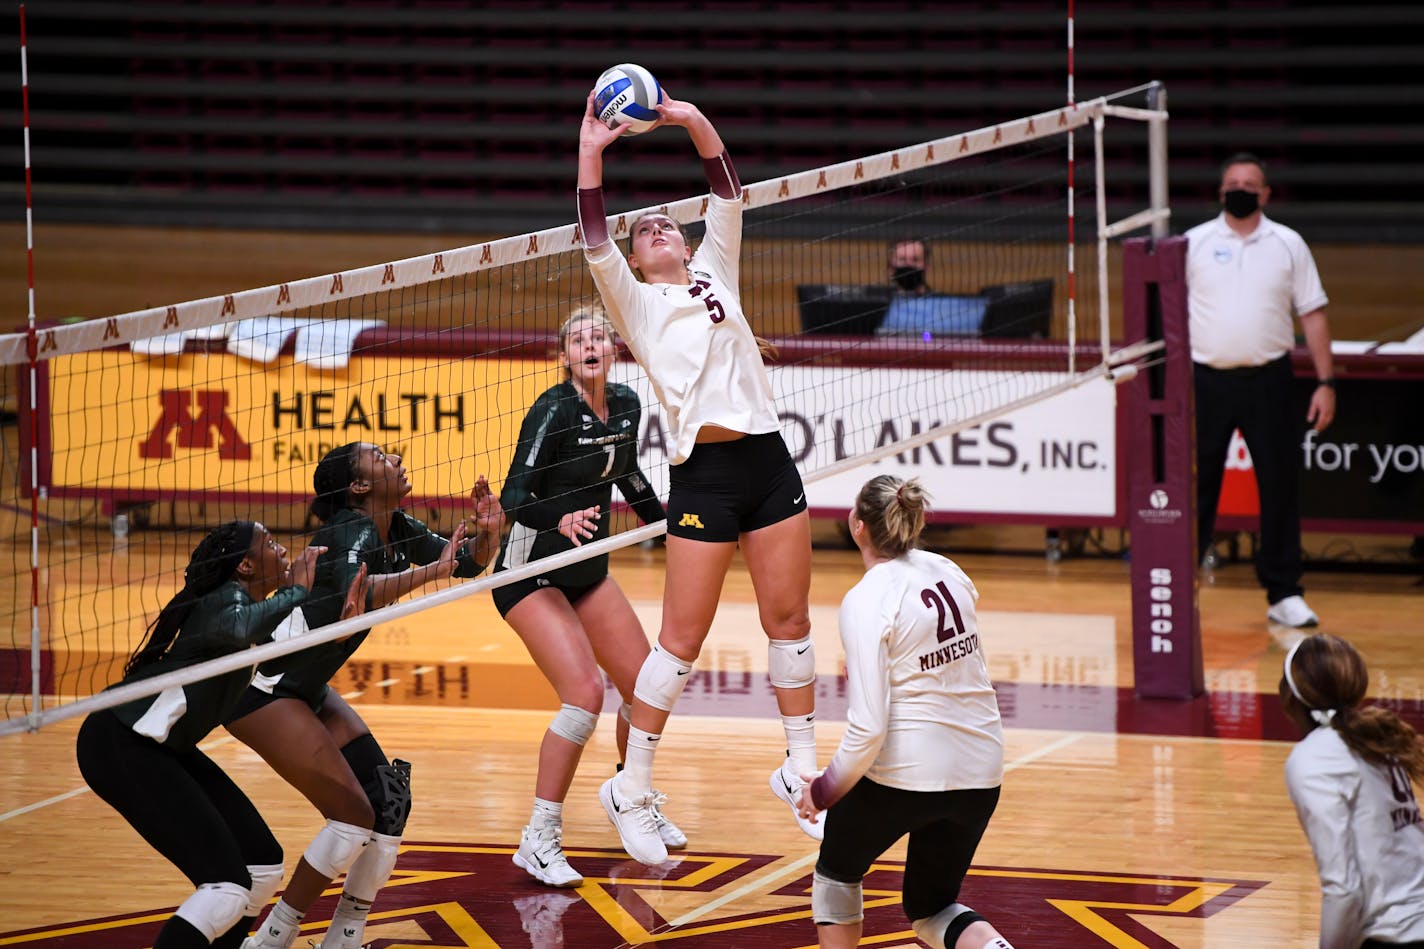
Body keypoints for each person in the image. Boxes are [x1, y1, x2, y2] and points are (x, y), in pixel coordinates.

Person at [577, 87, 820, 866]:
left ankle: (799, 767)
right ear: (639, 257)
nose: (655, 228)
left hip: (768, 457)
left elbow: (725, 185)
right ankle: (631, 787)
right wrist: (592, 147)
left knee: (791, 623)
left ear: (683, 244)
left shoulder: (717, 266)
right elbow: (591, 229)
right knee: (680, 643)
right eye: (642, 230)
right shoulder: (635, 304)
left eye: (663, 225)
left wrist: (684, 117)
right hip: (705, 475)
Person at [229, 443, 504, 949]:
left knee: (389, 800)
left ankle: (345, 934)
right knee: (354, 815)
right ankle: (272, 936)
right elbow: (353, 592)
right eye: (380, 457)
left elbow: (463, 563)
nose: (396, 459)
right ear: (359, 486)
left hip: (304, 686)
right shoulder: (348, 530)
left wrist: (489, 536)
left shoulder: (396, 526)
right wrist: (433, 571)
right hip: (263, 688)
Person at [76, 521, 365, 949]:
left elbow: (284, 667)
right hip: (122, 741)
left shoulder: (249, 611)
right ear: (246, 565)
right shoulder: (225, 604)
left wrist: (341, 635)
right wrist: (298, 591)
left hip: (162, 746)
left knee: (261, 866)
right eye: (270, 544)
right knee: (226, 886)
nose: (284, 550)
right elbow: (236, 629)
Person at [493, 305, 685, 888]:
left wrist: (671, 525)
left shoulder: (626, 404)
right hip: (531, 571)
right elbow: (512, 497)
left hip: (586, 569)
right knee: (583, 697)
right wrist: (563, 516)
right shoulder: (551, 410)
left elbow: (628, 477)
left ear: (615, 349)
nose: (590, 344)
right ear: (565, 357)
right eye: (578, 339)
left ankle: (630, 794)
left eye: (599, 335)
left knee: (647, 685)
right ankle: (539, 836)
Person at [794, 475, 1015, 949]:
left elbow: (868, 729)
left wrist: (823, 790)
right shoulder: (948, 570)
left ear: (857, 526)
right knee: (932, 906)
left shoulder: (867, 599)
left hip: (907, 776)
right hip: (982, 771)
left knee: (837, 874)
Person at [1185, 152, 1335, 628]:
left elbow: (1312, 314)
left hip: (1269, 379)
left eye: (1251, 183)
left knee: (1279, 486)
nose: (1241, 188)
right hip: (1204, 381)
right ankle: (1178, 584)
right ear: (1220, 190)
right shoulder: (1193, 243)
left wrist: (1326, 382)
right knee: (1196, 486)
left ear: (1266, 194)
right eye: (1233, 181)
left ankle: (1284, 592)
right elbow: (1168, 317)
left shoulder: (1288, 244)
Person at [1279, 634, 1424, 949]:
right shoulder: (1375, 736)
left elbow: (1343, 890)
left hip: (1396, 935)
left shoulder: (1313, 758)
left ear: (1290, 695)